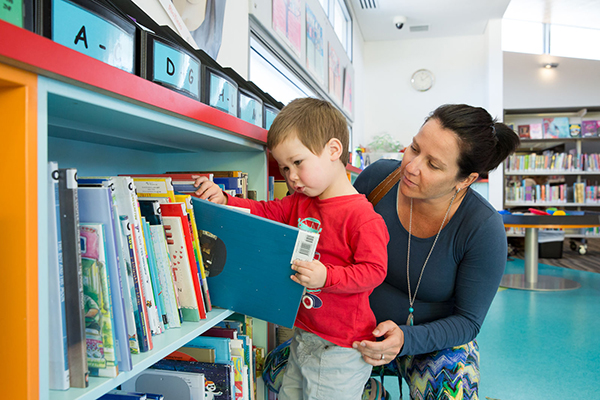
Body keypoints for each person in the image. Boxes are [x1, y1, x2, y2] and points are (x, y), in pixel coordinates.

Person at [194, 97, 390, 400]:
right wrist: (226, 201)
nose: (291, 177)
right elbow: (264, 211)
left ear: (333, 151)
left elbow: (374, 271)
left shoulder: (363, 217)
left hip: (341, 347)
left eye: (298, 162)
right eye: (285, 168)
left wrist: (328, 277)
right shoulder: (300, 202)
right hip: (304, 335)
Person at [352, 104, 520, 400]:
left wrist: (405, 339)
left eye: (433, 164)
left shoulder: (482, 228)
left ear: (466, 179)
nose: (411, 167)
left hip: (433, 344)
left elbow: (468, 322)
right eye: (414, 148)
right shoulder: (378, 180)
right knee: (282, 371)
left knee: (450, 389)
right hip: (354, 331)